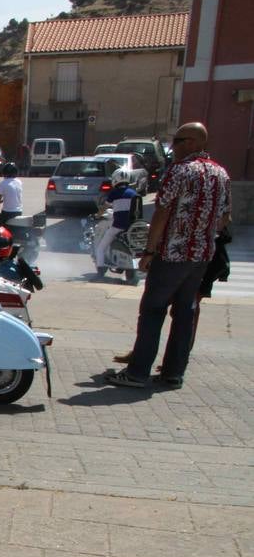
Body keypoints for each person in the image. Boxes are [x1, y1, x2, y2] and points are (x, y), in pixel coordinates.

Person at [106, 122, 230, 390]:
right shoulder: (221, 174)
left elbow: (162, 211)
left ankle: (137, 373)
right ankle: (173, 373)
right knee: (184, 313)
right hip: (201, 257)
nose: (172, 147)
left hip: (173, 254)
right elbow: (224, 219)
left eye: (177, 141)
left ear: (193, 143)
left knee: (152, 310)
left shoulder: (180, 171)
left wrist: (149, 251)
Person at [94, 169, 138, 276]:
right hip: (132, 227)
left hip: (118, 226)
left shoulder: (114, 193)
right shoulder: (133, 193)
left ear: (115, 180)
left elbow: (105, 207)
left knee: (100, 248)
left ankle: (100, 271)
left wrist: (97, 215)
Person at [0, 162, 23, 228]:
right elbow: (12, 195)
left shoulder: (2, 184)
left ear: (4, 172)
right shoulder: (19, 182)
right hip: (19, 212)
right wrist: (2, 200)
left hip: (7, 213)